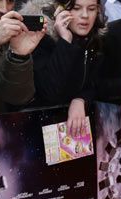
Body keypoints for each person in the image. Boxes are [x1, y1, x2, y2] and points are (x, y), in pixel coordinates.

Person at [23, 0, 106, 136]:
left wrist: (81, 99)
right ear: (60, 9)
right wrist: (65, 41)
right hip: (36, 130)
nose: (85, 15)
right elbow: (50, 92)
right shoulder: (37, 37)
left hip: (72, 135)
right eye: (76, 8)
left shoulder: (94, 39)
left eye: (91, 9)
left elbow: (93, 83)